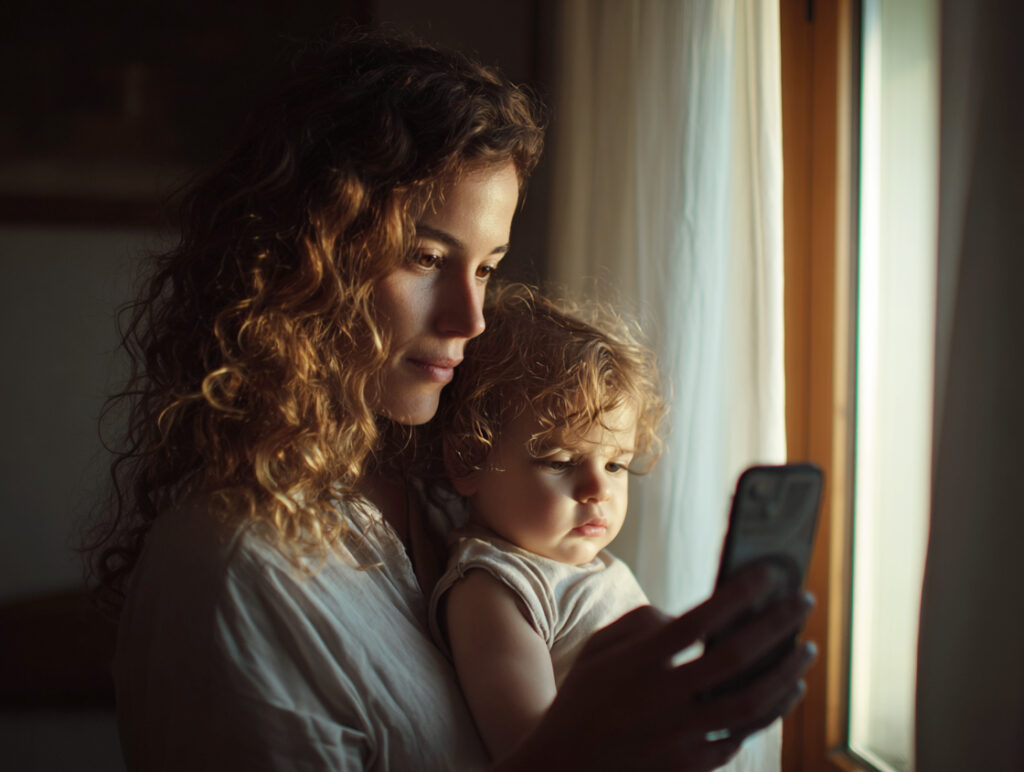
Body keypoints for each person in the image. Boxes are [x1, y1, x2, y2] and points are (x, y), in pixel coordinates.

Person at [90, 30, 816, 771]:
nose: (469, 320)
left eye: (486, 268)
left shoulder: (445, 499)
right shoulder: (235, 575)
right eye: (428, 258)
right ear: (301, 261)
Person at [425, 284, 666, 759]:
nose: (598, 488)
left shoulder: (584, 564)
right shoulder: (494, 588)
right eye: (560, 461)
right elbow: (533, 750)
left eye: (615, 464)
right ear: (469, 461)